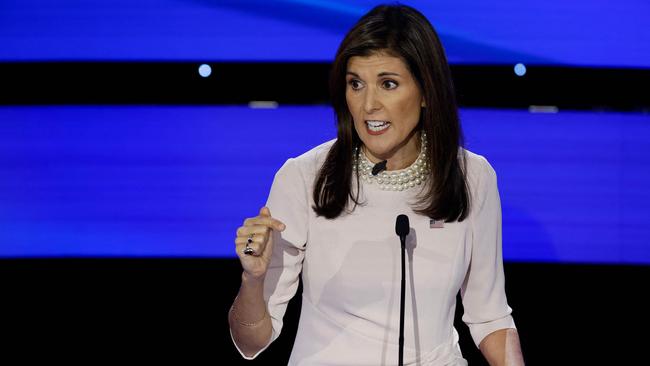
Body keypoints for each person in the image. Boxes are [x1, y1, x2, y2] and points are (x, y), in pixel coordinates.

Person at [228, 4, 525, 365]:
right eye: (356, 84)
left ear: (426, 91)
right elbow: (250, 342)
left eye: (388, 84)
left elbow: (490, 318)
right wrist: (252, 280)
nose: (369, 104)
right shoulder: (304, 176)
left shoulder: (472, 177)